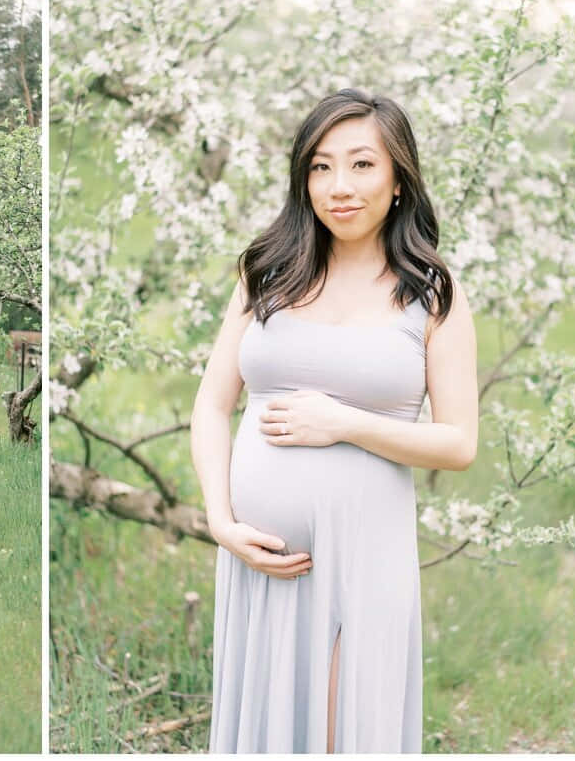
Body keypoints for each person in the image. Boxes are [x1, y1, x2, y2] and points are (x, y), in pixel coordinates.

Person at [190, 88, 478, 752]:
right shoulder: (267, 272)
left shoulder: (432, 294)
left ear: (399, 179)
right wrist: (219, 520)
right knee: (266, 730)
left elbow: (458, 442)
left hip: (363, 556)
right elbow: (211, 404)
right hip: (260, 560)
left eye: (361, 165)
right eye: (321, 167)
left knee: (342, 732)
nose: (339, 186)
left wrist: (344, 423)